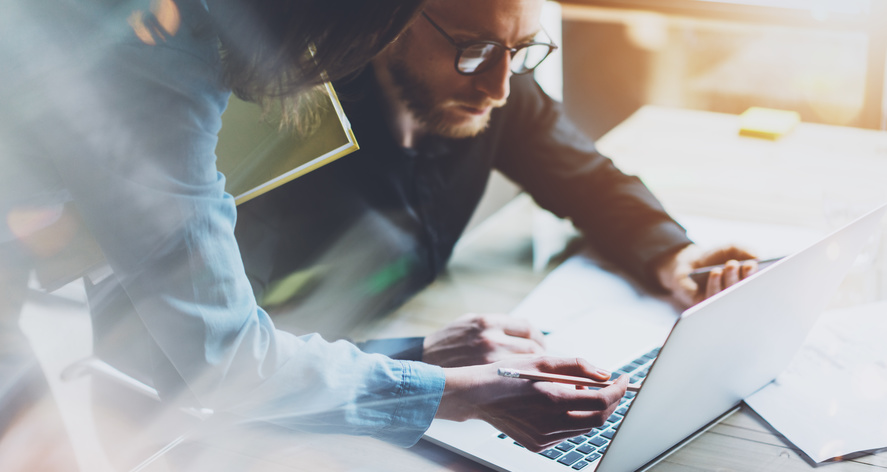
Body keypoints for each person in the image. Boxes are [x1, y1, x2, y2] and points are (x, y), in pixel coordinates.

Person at [1, 0, 628, 462]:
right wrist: (447, 390)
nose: (497, 85)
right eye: (472, 48)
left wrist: (422, 364)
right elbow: (211, 356)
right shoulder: (163, 61)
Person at [233, 0, 760, 366]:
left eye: (521, 49)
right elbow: (228, 355)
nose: (501, 87)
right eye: (474, 49)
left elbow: (587, 180)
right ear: (387, 20)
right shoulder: (282, 148)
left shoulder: (489, 86)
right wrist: (420, 356)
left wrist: (672, 256)